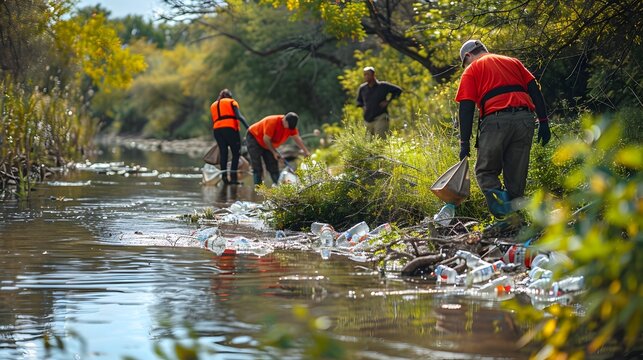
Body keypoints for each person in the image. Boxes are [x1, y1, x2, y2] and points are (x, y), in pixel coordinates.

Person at [455, 40, 551, 219]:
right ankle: (516, 222)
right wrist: (544, 122)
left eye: (465, 63)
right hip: (525, 120)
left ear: (468, 56)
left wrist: (464, 142)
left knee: (486, 171)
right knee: (516, 177)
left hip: (496, 121)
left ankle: (505, 215)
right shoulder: (513, 62)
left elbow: (466, 107)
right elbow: (535, 92)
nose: (465, 66)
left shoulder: (472, 69)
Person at [246, 112, 311, 185]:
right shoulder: (272, 122)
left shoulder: (291, 126)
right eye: (288, 126)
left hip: (268, 143)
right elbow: (266, 139)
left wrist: (306, 151)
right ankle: (258, 188)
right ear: (285, 120)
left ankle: (278, 186)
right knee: (257, 166)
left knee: (273, 165)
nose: (289, 129)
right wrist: (274, 152)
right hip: (254, 138)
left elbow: (297, 138)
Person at [210, 89, 250, 185]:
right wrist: (249, 128)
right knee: (236, 154)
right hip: (230, 129)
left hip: (217, 131)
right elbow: (239, 116)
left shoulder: (214, 105)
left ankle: (224, 179)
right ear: (230, 96)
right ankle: (233, 179)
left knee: (223, 153)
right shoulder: (231, 102)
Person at [356, 66, 402, 139]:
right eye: (364, 74)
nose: (366, 76)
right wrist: (363, 107)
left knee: (380, 140)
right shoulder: (362, 88)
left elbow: (398, 90)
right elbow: (359, 101)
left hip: (381, 117)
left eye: (368, 74)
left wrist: (388, 101)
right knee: (368, 144)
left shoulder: (383, 86)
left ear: (373, 75)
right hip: (367, 120)